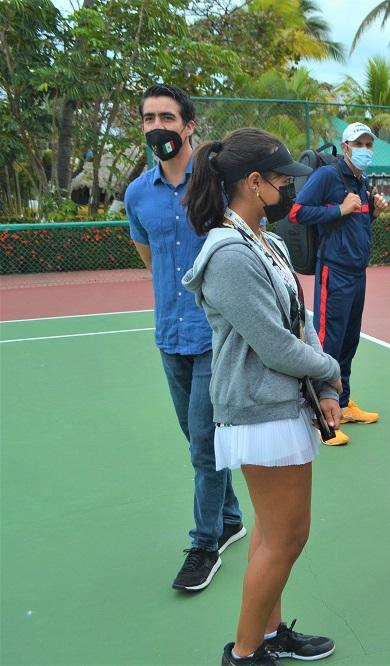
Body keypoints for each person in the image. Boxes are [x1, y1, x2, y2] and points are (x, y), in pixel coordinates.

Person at [182, 128, 342, 665]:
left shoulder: (264, 242)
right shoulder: (228, 254)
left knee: (274, 535)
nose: (289, 190)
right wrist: (332, 369)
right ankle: (246, 653)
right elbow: (275, 346)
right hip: (259, 412)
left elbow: (297, 322)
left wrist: (321, 385)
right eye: (281, 181)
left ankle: (269, 635)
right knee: (287, 538)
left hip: (282, 406)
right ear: (254, 183)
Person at [125, 84, 245, 592]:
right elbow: (149, 255)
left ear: (189, 125)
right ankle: (232, 515)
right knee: (197, 439)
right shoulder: (136, 193)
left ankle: (204, 544)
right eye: (149, 118)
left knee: (203, 444)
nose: (158, 127)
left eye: (167, 117)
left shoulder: (218, 183)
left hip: (214, 337)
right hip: (168, 335)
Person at [290, 122, 388, 445]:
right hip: (334, 270)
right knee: (327, 342)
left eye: (368, 143)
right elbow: (296, 213)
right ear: (345, 147)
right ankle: (320, 416)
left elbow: (353, 221)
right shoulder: (327, 176)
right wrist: (339, 208)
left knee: (348, 341)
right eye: (358, 143)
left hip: (357, 272)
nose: (365, 149)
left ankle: (342, 405)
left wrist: (369, 211)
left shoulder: (361, 180)